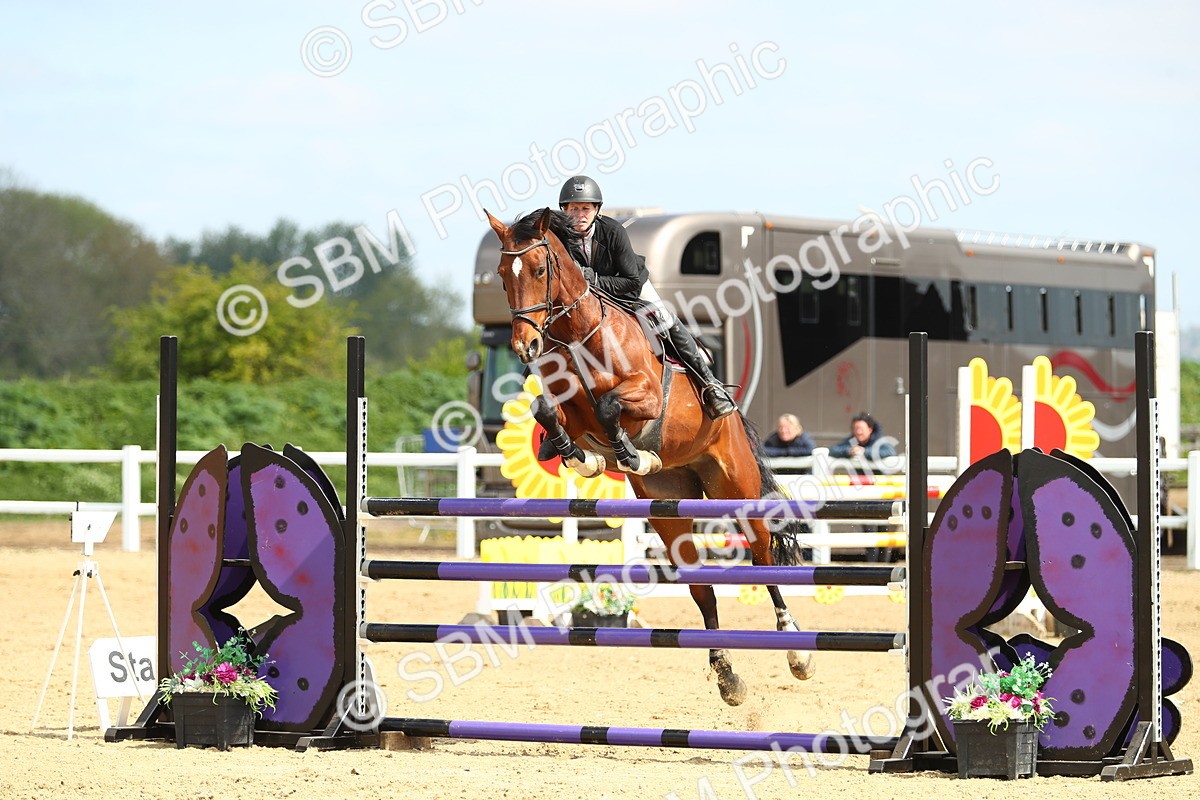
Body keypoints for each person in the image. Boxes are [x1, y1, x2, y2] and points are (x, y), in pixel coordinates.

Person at [557, 175, 736, 420]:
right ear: (564, 211)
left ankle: (711, 385)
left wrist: (595, 280)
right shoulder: (560, 239)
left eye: (585, 208)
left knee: (665, 318)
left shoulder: (613, 231)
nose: (580, 214)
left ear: (596, 210)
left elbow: (630, 281)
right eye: (574, 209)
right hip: (592, 299)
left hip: (630, 285)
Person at [829, 411, 897, 463]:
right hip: (859, 479)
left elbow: (890, 451)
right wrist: (849, 451)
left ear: (870, 429)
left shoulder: (878, 440)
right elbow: (833, 450)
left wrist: (864, 451)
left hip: (879, 479)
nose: (858, 432)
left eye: (861, 429)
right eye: (855, 429)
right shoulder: (853, 440)